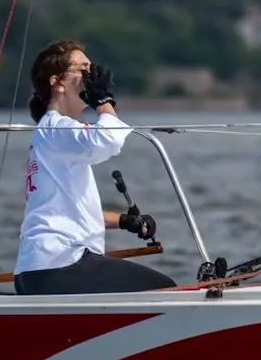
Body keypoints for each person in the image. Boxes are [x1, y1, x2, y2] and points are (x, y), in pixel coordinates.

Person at [14, 39, 176, 295]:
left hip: (44, 266)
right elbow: (107, 140)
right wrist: (103, 101)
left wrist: (124, 221)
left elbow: (63, 209)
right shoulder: (56, 127)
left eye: (92, 69)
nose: (90, 76)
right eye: (82, 69)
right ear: (57, 82)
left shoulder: (56, 133)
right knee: (165, 290)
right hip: (59, 264)